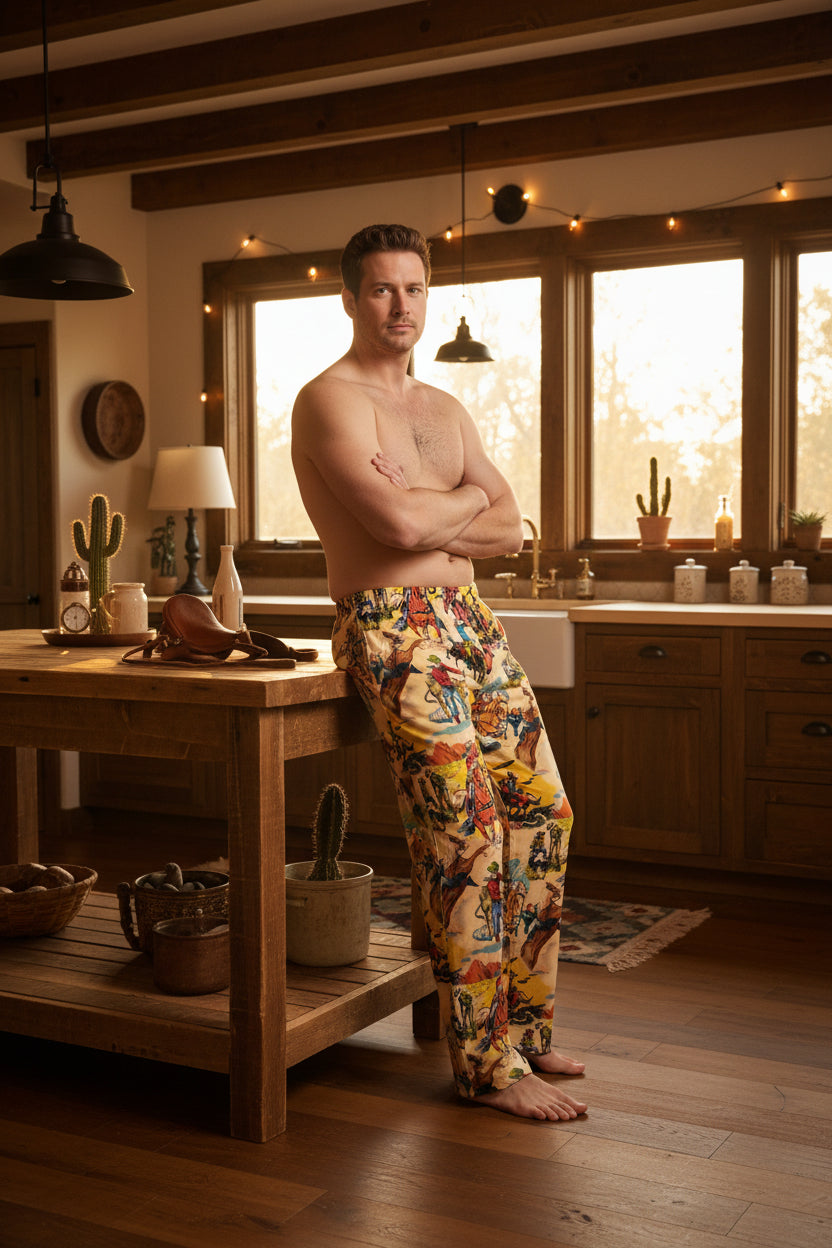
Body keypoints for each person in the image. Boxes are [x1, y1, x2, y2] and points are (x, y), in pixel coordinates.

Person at [291, 223, 587, 1121]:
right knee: (466, 836)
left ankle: (526, 1029)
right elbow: (395, 530)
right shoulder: (328, 401)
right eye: (383, 289)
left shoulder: (445, 409)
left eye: (414, 288)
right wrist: (455, 509)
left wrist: (431, 506)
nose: (401, 306)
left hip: (472, 624)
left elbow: (512, 529)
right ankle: (487, 1066)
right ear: (350, 298)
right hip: (389, 625)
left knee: (542, 813)